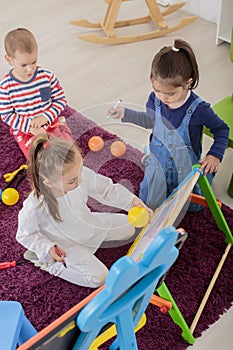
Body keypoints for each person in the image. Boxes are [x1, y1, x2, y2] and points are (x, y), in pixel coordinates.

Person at [108, 39, 229, 212]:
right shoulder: (154, 100)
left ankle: (206, 177)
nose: (163, 98)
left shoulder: (199, 109)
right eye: (157, 91)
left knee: (194, 207)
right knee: (148, 202)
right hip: (159, 165)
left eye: (170, 94)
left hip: (185, 168)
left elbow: (222, 129)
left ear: (188, 83)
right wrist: (125, 114)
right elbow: (149, 121)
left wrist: (214, 155)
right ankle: (151, 162)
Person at [16, 134, 153, 288]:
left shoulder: (78, 174)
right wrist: (47, 248)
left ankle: (89, 245)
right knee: (99, 278)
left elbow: (106, 190)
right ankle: (49, 265)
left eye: (79, 173)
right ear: (48, 182)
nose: (79, 181)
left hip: (89, 225)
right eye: (72, 181)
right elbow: (24, 235)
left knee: (129, 228)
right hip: (66, 246)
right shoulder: (34, 206)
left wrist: (131, 201)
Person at [0, 28, 72, 159]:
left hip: (50, 122)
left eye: (34, 62)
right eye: (23, 65)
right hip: (27, 130)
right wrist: (30, 127)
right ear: (9, 60)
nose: (30, 69)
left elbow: (60, 100)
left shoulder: (47, 77)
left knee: (67, 150)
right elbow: (7, 115)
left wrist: (46, 117)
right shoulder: (6, 87)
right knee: (39, 158)